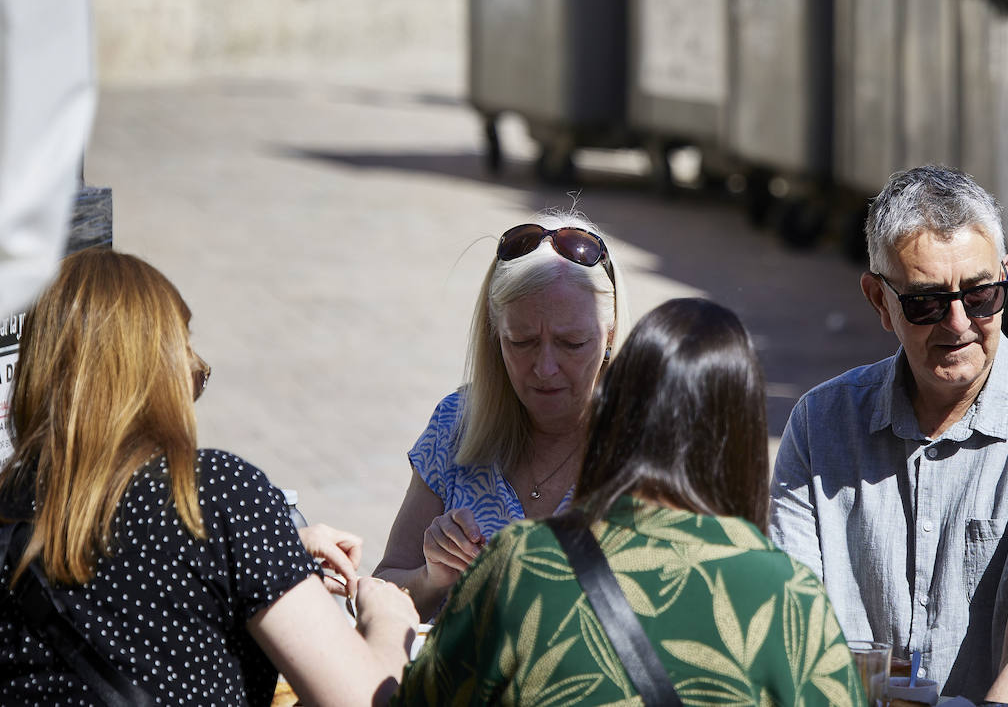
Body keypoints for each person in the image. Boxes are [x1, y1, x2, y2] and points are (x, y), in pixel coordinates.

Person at [395, 297, 866, 705]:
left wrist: (379, 621)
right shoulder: (792, 597)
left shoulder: (520, 563)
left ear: (612, 410)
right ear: (743, 439)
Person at [770, 164, 1008, 706]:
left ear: (1007, 275)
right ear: (878, 301)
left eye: (981, 296)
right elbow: (793, 636)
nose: (958, 323)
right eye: (926, 302)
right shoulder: (821, 424)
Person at [0, 248, 419, 705]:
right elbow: (364, 701)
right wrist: (389, 621)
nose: (195, 380)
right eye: (187, 364)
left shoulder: (10, 507)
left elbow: (104, 563)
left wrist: (265, 555)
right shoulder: (216, 495)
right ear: (157, 379)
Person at [373, 212, 627, 619]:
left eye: (572, 343)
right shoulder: (456, 423)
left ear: (611, 334)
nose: (545, 368)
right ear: (494, 336)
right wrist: (432, 577)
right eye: (522, 342)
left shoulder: (647, 446)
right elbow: (380, 590)